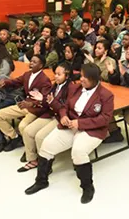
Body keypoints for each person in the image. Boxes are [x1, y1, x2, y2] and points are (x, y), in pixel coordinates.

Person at [25, 63, 114, 204]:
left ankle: (87, 187)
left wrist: (80, 123)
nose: (82, 79)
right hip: (70, 125)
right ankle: (41, 181)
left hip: (91, 130)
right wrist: (64, 116)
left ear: (95, 79)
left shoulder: (106, 95)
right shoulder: (76, 88)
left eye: (85, 77)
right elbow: (64, 106)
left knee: (78, 152)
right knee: (47, 145)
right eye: (81, 76)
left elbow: (105, 119)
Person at [0, 55, 53, 155]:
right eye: (31, 61)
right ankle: (15, 137)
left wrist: (31, 103)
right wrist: (5, 83)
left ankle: (30, 151)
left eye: (34, 62)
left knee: (22, 126)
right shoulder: (27, 74)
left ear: (41, 65)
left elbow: (45, 100)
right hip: (24, 105)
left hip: (35, 109)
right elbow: (16, 82)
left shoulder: (45, 80)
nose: (31, 63)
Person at [17, 62, 71, 172]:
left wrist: (48, 101)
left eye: (59, 74)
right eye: (55, 73)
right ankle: (33, 159)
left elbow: (64, 108)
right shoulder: (55, 85)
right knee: (27, 131)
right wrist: (42, 99)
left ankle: (45, 165)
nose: (56, 76)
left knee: (40, 136)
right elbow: (47, 102)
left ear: (67, 75)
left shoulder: (70, 88)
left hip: (59, 117)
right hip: (49, 114)